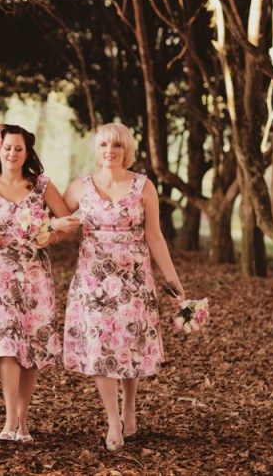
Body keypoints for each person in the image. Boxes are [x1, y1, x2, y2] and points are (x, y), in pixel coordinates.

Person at [61, 122, 185, 452]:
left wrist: (172, 280)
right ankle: (113, 419)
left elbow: (155, 236)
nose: (109, 151)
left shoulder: (144, 186)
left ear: (126, 150)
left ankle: (129, 407)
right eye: (104, 144)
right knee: (102, 346)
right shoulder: (79, 186)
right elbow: (53, 223)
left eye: (116, 145)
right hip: (93, 281)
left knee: (129, 343)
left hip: (134, 280)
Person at [0, 124, 80, 443]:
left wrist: (48, 235)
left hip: (35, 273)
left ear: (27, 152)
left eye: (18, 148)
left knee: (30, 347)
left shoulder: (42, 185)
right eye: (7, 147)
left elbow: (68, 226)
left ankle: (23, 422)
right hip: (0, 274)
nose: (12, 153)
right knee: (7, 343)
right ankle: (9, 420)